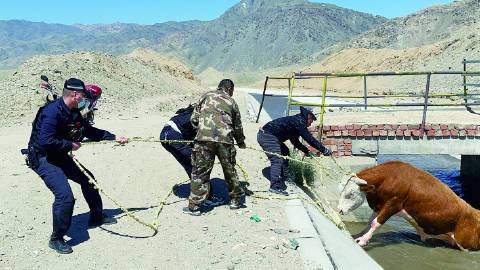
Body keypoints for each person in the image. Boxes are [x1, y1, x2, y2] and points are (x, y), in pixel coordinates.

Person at [25, 78, 129, 254]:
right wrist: (69, 145)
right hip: (43, 158)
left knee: (89, 181)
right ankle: (56, 238)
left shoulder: (73, 112)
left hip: (58, 155)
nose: (84, 98)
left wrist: (113, 137)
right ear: (74, 94)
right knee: (65, 197)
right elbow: (44, 140)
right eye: (82, 95)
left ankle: (96, 217)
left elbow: (89, 131)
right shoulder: (51, 112)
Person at [184, 79, 246, 215]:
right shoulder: (231, 102)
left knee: (200, 172)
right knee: (229, 170)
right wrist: (241, 142)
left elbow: (194, 119)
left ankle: (194, 206)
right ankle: (235, 201)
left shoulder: (205, 96)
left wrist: (200, 132)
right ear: (229, 89)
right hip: (225, 140)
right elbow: (237, 125)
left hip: (204, 139)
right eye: (233, 91)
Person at [257, 106, 332, 196]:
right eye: (311, 121)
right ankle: (275, 187)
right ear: (309, 117)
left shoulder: (296, 121)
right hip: (267, 136)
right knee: (276, 160)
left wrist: (306, 151)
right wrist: (324, 150)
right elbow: (310, 139)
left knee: (285, 151)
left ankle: (284, 176)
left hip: (269, 136)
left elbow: (294, 141)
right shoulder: (299, 122)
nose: (310, 124)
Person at [159, 105, 223, 206]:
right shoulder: (206, 116)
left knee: (190, 164)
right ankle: (207, 198)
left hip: (167, 134)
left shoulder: (198, 110)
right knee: (198, 165)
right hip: (173, 136)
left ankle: (201, 193)